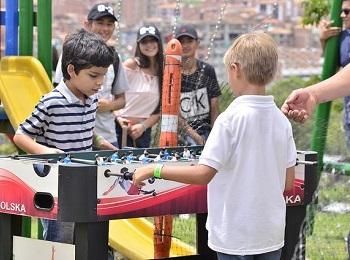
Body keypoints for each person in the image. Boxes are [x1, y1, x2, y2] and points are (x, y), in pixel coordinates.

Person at [133, 32, 296, 259]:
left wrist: (154, 169)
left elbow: (203, 174)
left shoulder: (229, 119)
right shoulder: (282, 121)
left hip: (233, 236)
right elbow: (288, 183)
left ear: (235, 69)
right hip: (270, 235)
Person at [13, 29, 116, 242]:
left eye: (103, 76)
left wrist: (98, 141)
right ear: (71, 70)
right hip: (56, 186)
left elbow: (82, 127)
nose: (100, 83)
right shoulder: (52, 102)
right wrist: (47, 152)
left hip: (84, 180)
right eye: (94, 76)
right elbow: (21, 135)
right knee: (59, 239)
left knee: (84, 237)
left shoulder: (92, 99)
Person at [54, 3, 129, 148]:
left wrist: (108, 105)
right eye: (100, 23)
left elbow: (122, 100)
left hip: (106, 135)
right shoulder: (72, 53)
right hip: (73, 135)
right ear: (87, 24)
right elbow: (59, 89)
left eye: (109, 24)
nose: (105, 28)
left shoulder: (114, 58)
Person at [114, 25, 163, 148]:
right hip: (120, 128)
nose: (149, 45)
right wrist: (118, 119)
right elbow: (112, 93)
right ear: (139, 45)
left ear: (159, 42)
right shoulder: (132, 65)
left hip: (143, 131)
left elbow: (161, 108)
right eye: (144, 42)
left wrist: (143, 126)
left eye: (152, 40)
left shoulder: (164, 70)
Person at [174, 24, 221, 145]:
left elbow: (214, 106)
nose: (185, 45)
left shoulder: (207, 70)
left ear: (197, 43)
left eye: (189, 41)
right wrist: (194, 136)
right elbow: (174, 112)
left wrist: (215, 134)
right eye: (181, 42)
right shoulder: (172, 74)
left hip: (206, 131)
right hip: (183, 134)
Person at [318, 0, 350, 147]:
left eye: (348, 11)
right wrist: (324, 40)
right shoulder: (342, 37)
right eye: (341, 11)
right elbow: (333, 71)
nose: (343, 15)